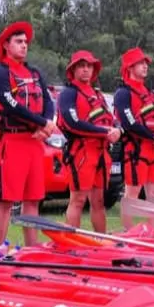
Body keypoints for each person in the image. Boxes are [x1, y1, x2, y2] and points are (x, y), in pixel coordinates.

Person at [0, 21, 54, 248]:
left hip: (34, 141)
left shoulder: (34, 72)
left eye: (26, 42)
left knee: (33, 199)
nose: (24, 46)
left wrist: (47, 123)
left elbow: (47, 99)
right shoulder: (0, 72)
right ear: (6, 45)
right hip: (11, 140)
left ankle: (32, 250)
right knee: (5, 200)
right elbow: (10, 104)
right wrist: (41, 122)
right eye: (18, 41)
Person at [56, 50, 122, 234]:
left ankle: (100, 241)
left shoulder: (97, 95)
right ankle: (71, 244)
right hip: (81, 152)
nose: (86, 70)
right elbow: (72, 123)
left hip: (101, 152)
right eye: (82, 66)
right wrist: (105, 132)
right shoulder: (68, 93)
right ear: (73, 70)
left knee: (99, 201)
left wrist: (117, 129)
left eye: (89, 66)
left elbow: (110, 118)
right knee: (77, 199)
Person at [114, 47, 154, 229]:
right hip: (137, 150)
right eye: (140, 63)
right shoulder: (123, 93)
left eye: (146, 63)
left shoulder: (151, 94)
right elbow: (129, 123)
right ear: (130, 67)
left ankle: (152, 232)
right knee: (132, 194)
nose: (145, 66)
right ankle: (128, 233)